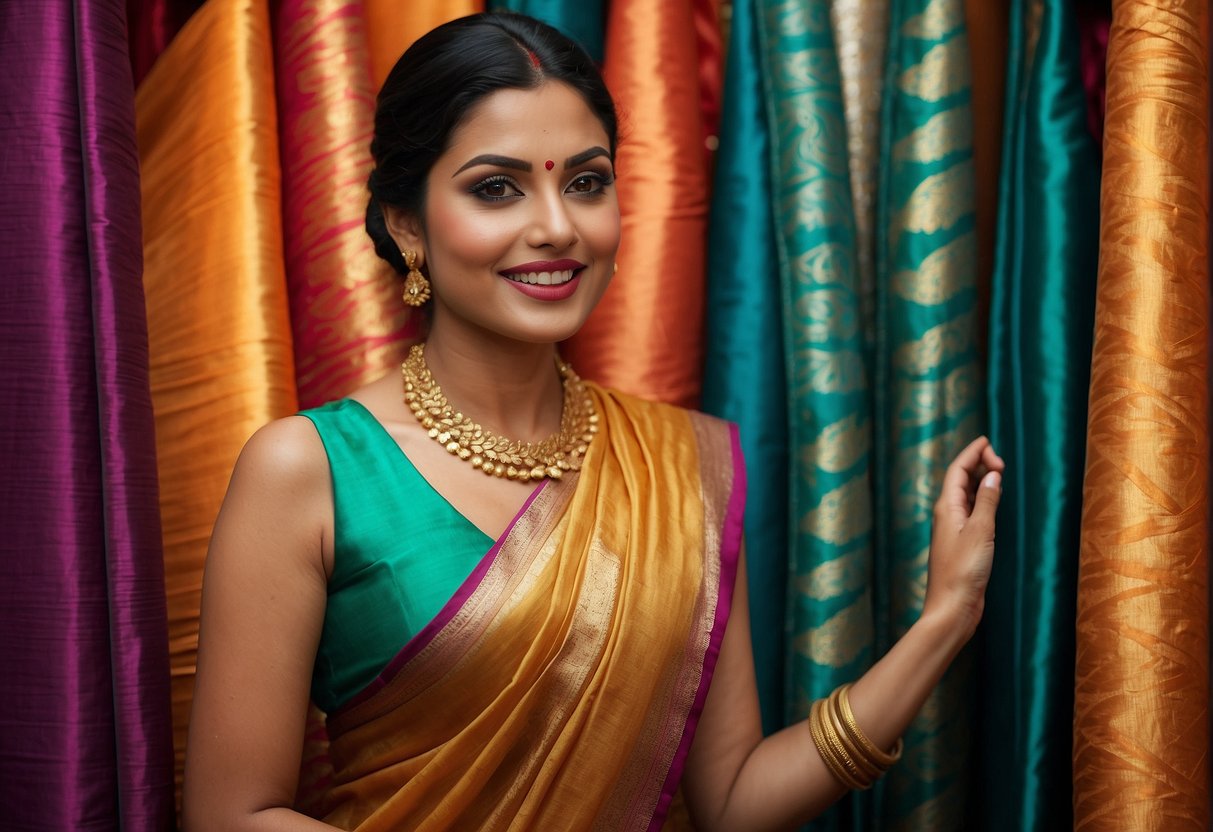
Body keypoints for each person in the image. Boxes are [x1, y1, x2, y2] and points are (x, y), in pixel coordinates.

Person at [182, 12, 1004, 832]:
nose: (557, 227)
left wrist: (942, 621)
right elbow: (230, 814)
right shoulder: (310, 471)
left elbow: (733, 799)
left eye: (586, 181)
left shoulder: (683, 465)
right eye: (495, 188)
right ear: (406, 225)